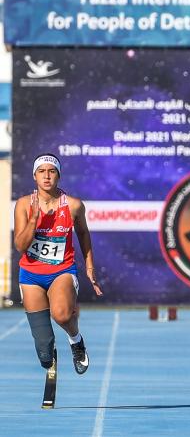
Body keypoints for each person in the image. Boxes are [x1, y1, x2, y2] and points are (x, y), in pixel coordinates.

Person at [13, 154, 103, 380]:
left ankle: (76, 341)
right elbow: (20, 246)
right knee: (44, 348)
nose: (46, 176)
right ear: (34, 176)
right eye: (41, 171)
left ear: (58, 175)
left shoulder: (73, 205)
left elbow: (83, 233)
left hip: (61, 270)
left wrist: (90, 267)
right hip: (31, 275)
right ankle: (47, 351)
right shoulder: (24, 204)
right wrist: (34, 221)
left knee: (62, 315)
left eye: (51, 171)